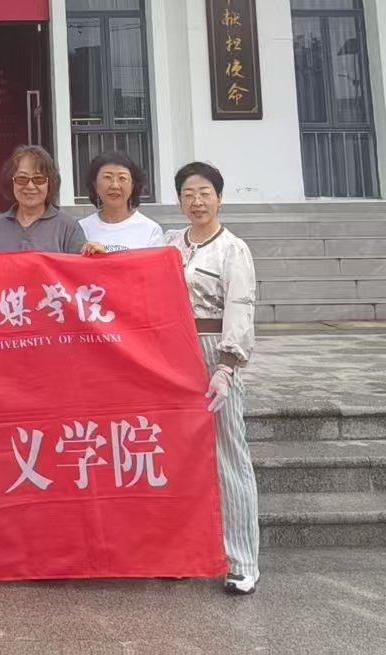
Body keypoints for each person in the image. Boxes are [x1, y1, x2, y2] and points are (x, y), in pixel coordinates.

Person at [165, 159, 260, 596]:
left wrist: (226, 365)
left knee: (228, 455)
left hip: (214, 353)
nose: (196, 201)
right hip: (174, 355)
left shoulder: (233, 249)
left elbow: (240, 308)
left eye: (204, 193)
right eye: (188, 194)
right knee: (180, 457)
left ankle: (242, 562)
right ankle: (184, 554)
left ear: (219, 198)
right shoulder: (171, 244)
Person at [0, 144, 104, 256]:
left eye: (39, 179)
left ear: (50, 183)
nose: (30, 186)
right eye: (22, 179)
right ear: (11, 181)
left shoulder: (68, 227)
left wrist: (96, 255)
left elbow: (81, 269)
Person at [78, 150, 163, 251]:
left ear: (132, 185)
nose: (115, 185)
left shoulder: (151, 230)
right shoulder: (81, 228)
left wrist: (105, 255)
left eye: (122, 178)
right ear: (95, 184)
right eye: (107, 177)